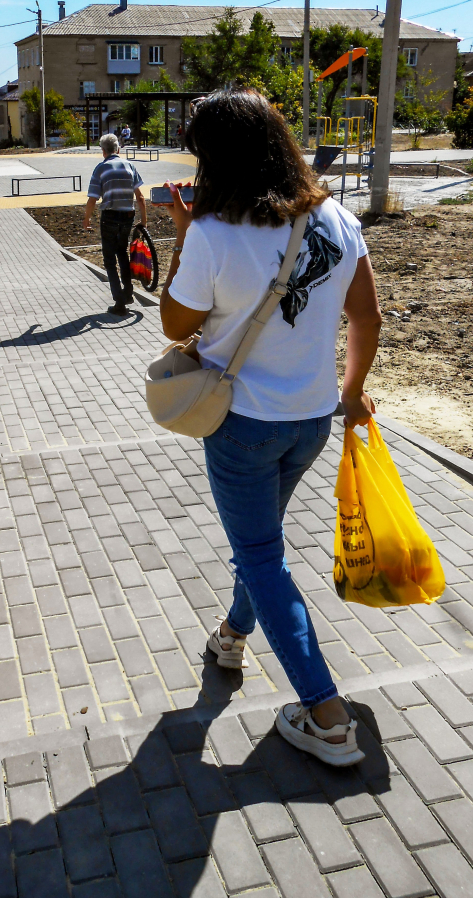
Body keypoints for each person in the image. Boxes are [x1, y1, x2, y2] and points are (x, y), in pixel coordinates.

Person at [157, 87, 382, 767]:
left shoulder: (213, 231)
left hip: (243, 426)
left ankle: (328, 716)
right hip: (311, 420)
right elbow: (367, 317)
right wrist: (352, 393)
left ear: (215, 158)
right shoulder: (336, 218)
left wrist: (183, 235)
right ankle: (232, 634)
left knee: (260, 555)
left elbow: (173, 324)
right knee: (261, 544)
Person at [84, 133, 148, 316]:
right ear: (118, 149)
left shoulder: (101, 168)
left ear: (103, 151)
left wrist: (87, 219)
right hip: (128, 216)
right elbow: (140, 197)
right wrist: (144, 221)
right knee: (122, 253)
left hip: (109, 217)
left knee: (109, 260)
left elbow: (92, 198)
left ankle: (119, 303)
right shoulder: (129, 166)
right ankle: (128, 293)